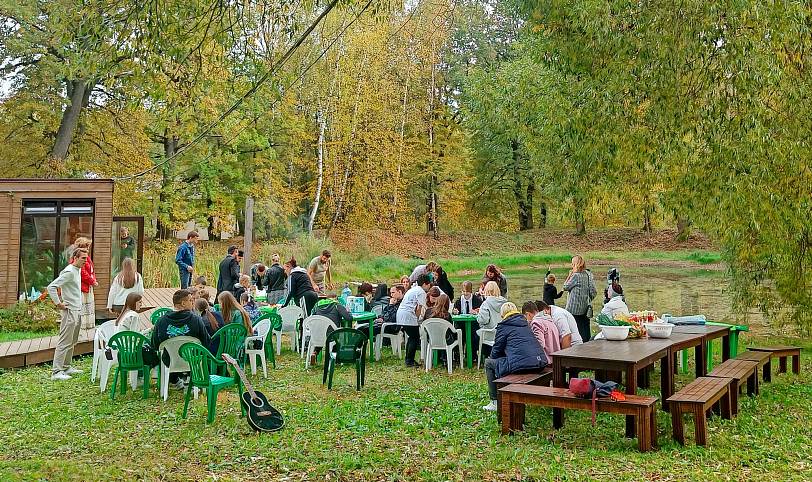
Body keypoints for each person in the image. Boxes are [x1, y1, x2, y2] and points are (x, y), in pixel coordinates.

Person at [482, 303, 547, 411]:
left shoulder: (504, 326)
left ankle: (494, 401)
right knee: (507, 362)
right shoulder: (525, 324)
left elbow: (496, 351)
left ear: (503, 315)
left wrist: (494, 358)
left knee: (489, 363)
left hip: (522, 365)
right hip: (539, 363)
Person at [151, 289, 211, 389]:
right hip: (192, 360)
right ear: (183, 303)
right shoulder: (196, 320)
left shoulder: (161, 321)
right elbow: (206, 342)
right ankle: (191, 380)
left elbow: (155, 344)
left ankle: (173, 380)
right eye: (191, 300)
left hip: (170, 360)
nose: (193, 303)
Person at [47, 247, 88, 380]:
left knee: (73, 340)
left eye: (86, 258)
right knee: (64, 341)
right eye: (83, 258)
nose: (85, 261)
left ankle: (66, 367)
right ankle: (56, 372)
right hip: (69, 310)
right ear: (75, 258)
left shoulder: (78, 270)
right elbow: (51, 287)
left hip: (77, 309)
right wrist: (58, 303)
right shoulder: (69, 272)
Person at [397, 273, 431, 367]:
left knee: (412, 337)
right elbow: (419, 308)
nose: (429, 286)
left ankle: (408, 359)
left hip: (401, 314)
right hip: (408, 315)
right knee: (415, 337)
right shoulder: (421, 292)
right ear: (424, 284)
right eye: (428, 284)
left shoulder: (413, 289)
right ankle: (409, 361)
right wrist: (417, 319)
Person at [562, 255, 597, 342]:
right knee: (585, 330)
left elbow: (565, 287)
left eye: (572, 263)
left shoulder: (575, 276)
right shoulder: (588, 274)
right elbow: (594, 291)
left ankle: (578, 347)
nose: (571, 265)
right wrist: (588, 300)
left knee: (575, 330)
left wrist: (569, 275)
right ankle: (588, 346)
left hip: (573, 309)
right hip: (585, 308)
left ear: (575, 264)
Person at [70, 237, 98, 330]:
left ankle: (88, 325)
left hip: (88, 285)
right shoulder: (78, 259)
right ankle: (82, 326)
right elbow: (82, 273)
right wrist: (92, 281)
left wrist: (93, 279)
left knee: (88, 305)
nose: (88, 249)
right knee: (82, 306)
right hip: (82, 286)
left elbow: (91, 270)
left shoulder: (86, 257)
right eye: (86, 247)